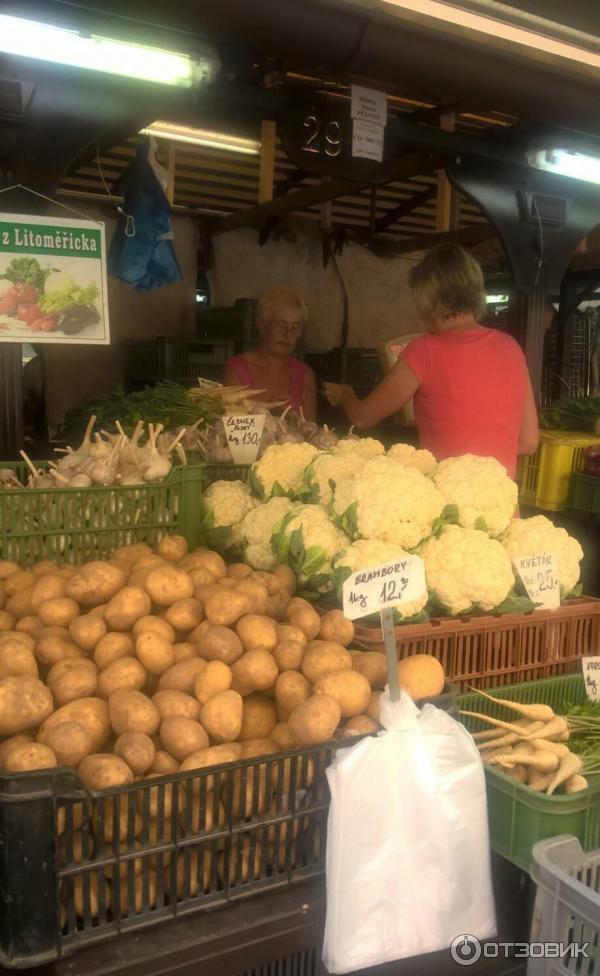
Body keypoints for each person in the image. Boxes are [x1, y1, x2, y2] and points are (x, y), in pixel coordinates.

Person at [323, 244, 538, 478]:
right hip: (502, 509)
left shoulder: (425, 350)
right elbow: (528, 443)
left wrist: (346, 395)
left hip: (444, 509)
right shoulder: (511, 348)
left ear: (427, 298)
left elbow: (362, 417)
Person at [223, 285, 317, 421]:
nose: (288, 334)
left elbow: (311, 434)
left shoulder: (305, 376)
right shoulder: (236, 371)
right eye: (281, 325)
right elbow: (229, 429)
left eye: (296, 327)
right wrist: (269, 412)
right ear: (261, 325)